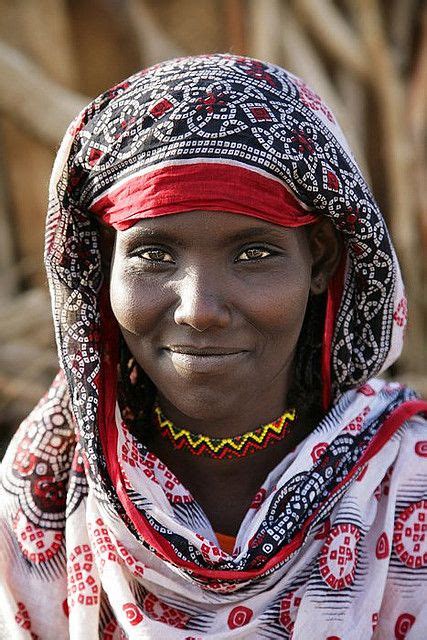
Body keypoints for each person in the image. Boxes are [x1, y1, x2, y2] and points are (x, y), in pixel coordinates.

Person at [0, 54, 426, 640]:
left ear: (321, 258)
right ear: (103, 264)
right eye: (153, 254)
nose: (199, 308)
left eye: (254, 253)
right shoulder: (49, 480)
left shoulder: (405, 479)